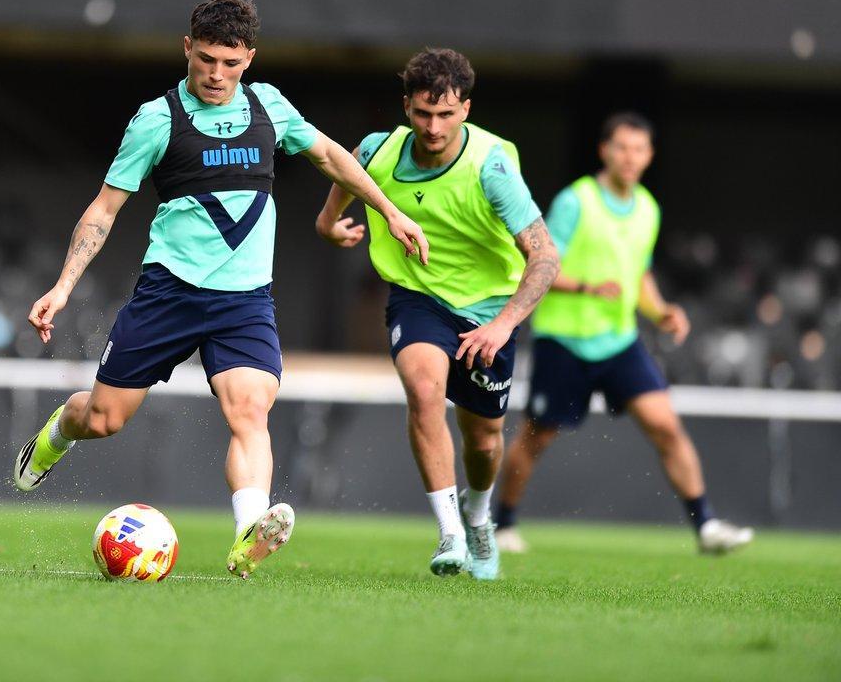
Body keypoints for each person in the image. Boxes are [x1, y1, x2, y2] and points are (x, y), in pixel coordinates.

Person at [12, 0, 429, 579]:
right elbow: (103, 211)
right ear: (187, 48)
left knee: (251, 410)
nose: (216, 74)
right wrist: (62, 287)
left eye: (230, 63)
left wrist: (389, 211)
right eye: (206, 59)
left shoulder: (269, 106)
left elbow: (332, 157)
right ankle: (59, 431)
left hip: (245, 301)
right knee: (104, 419)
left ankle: (247, 533)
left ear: (249, 58)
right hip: (169, 293)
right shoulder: (156, 120)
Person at [315, 48, 558, 580]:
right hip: (417, 297)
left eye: (445, 114)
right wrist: (330, 220)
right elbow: (345, 170)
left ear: (465, 109)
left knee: (484, 439)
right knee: (424, 390)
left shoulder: (492, 167)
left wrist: (502, 325)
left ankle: (478, 515)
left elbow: (545, 257)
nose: (433, 127)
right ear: (406, 106)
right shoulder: (378, 150)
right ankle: (450, 533)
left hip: (490, 312)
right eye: (423, 113)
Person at [494, 112, 754, 555]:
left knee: (665, 425)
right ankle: (502, 524)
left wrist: (661, 310)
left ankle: (706, 525)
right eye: (622, 148)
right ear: (604, 151)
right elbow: (540, 263)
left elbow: (639, 274)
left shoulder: (648, 208)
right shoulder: (576, 201)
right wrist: (588, 287)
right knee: (536, 437)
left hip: (618, 341)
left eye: (639, 149)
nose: (630, 157)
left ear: (649, 155)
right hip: (564, 340)